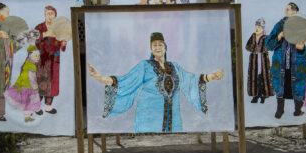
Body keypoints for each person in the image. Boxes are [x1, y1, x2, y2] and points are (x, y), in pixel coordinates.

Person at [87, 32, 224, 133]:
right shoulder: (145, 66)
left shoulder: (175, 67)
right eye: (154, 45)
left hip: (173, 119)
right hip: (148, 118)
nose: (157, 47)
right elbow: (125, 81)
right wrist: (101, 78)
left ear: (165, 47)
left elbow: (191, 80)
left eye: (160, 44)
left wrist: (211, 76)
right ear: (151, 49)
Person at [265, 3, 306, 119]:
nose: (286, 11)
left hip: (296, 61)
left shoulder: (301, 26)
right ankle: (280, 109)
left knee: (297, 84)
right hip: (281, 60)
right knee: (280, 84)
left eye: (289, 9)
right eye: (286, 9)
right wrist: (278, 37)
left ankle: (298, 110)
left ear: (295, 12)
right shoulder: (279, 25)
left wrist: (301, 48)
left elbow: (304, 43)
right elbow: (268, 44)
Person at [35, 5, 66, 114]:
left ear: (55, 15)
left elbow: (62, 45)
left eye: (51, 14)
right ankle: (36, 107)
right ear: (44, 15)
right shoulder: (39, 27)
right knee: (41, 83)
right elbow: (34, 38)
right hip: (42, 59)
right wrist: (44, 34)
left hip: (54, 60)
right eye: (47, 13)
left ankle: (48, 106)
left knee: (52, 84)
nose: (49, 16)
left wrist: (63, 44)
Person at [5, 45, 43, 122]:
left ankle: (34, 111)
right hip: (29, 87)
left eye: (38, 55)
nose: (37, 57)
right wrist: (35, 87)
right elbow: (31, 78)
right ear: (30, 55)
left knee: (32, 100)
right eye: (35, 55)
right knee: (30, 102)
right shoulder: (30, 66)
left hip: (26, 86)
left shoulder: (28, 63)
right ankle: (27, 117)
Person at [245, 19, 274, 103]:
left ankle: (263, 95)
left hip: (263, 60)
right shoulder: (253, 36)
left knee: (263, 76)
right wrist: (254, 48)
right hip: (254, 60)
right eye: (256, 27)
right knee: (254, 76)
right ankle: (256, 95)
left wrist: (261, 49)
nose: (257, 29)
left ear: (263, 28)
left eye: (259, 27)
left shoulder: (266, 37)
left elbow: (270, 47)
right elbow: (247, 46)